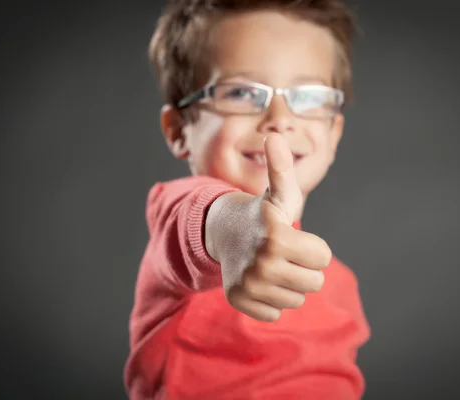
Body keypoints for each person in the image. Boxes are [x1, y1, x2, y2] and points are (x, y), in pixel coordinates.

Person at [124, 1, 370, 398]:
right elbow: (201, 223)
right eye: (241, 91)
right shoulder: (180, 213)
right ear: (178, 130)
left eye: (308, 96)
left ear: (334, 131)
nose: (280, 117)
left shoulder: (338, 282)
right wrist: (233, 230)